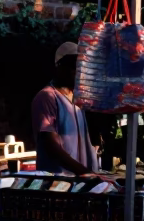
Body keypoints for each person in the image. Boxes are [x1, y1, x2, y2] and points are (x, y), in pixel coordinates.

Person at [31, 42, 100, 175]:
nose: (79, 74)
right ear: (60, 68)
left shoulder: (78, 98)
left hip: (80, 180)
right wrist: (84, 172)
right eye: (73, 68)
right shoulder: (47, 97)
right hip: (59, 183)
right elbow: (50, 145)